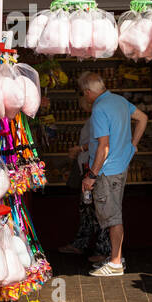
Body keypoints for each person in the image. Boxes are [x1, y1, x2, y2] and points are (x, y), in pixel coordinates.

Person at [77, 73, 147, 277]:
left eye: (84, 93)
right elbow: (143, 118)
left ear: (88, 92)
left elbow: (103, 148)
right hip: (120, 165)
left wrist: (91, 175)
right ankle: (115, 257)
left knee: (113, 216)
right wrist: (132, 145)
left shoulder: (99, 109)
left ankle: (116, 262)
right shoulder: (119, 100)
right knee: (114, 212)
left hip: (107, 170)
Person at [56, 108, 111, 263]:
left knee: (98, 210)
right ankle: (81, 243)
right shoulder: (95, 117)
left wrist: (80, 149)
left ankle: (103, 249)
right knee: (87, 209)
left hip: (93, 169)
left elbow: (101, 143)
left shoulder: (100, 117)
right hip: (89, 167)